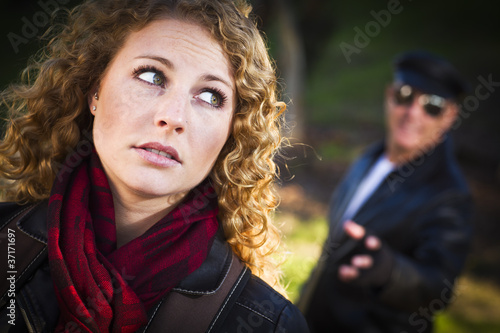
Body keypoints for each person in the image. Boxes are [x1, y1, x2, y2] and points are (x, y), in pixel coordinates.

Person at [0, 0, 310, 332]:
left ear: (232, 133)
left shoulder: (270, 323)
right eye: (151, 76)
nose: (173, 117)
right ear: (95, 90)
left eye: (209, 97)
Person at [298, 51, 473, 333]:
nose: (413, 112)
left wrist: (390, 272)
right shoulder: (368, 158)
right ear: (389, 95)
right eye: (405, 95)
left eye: (433, 105)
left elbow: (439, 289)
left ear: (449, 116)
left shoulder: (450, 194)